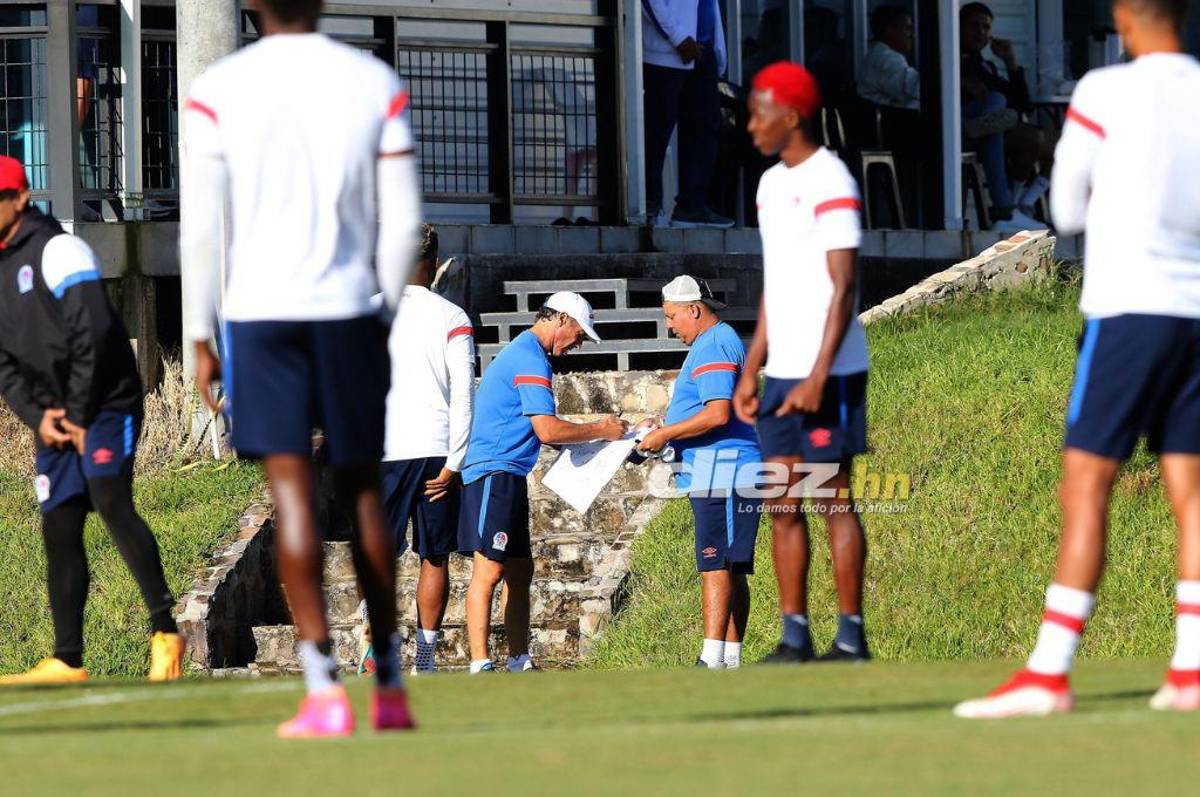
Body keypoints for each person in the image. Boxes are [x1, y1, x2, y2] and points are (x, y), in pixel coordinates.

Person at [182, 0, 422, 737]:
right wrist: (379, 314)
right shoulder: (371, 79)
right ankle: (387, 680)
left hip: (260, 316)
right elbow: (406, 221)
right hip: (348, 308)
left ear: (250, 7)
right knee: (367, 495)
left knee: (292, 502)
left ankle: (323, 688)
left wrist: (199, 330)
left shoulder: (217, 88)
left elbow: (202, 227)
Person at [955, 0, 1200, 719]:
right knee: (1191, 489)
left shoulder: (1104, 91)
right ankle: (1189, 667)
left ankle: (1051, 671)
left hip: (1127, 309)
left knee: (1086, 484)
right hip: (1196, 310)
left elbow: (1065, 210)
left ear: (1126, 14)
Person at [0, 157, 186, 686]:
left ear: (20, 197)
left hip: (105, 402)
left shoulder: (59, 249)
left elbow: (97, 335)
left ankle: (165, 632)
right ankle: (67, 660)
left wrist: (79, 413)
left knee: (108, 497)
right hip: (56, 416)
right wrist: (41, 417)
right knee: (59, 525)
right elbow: (4, 364)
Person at [733, 62, 872, 664]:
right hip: (785, 367)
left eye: (758, 113)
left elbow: (844, 286)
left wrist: (818, 375)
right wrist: (751, 365)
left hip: (832, 369)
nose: (749, 126)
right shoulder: (768, 186)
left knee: (830, 496)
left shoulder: (830, 177)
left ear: (789, 116)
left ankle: (850, 636)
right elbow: (777, 283)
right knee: (781, 501)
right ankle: (795, 636)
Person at [459, 292, 626, 673]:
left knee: (520, 571)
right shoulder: (530, 357)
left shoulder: (528, 353)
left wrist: (600, 434)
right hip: (492, 473)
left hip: (508, 474)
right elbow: (548, 430)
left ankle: (519, 659)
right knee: (489, 569)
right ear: (561, 320)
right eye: (580, 334)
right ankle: (480, 663)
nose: (578, 345)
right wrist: (600, 428)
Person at [361, 224, 474, 676]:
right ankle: (425, 659)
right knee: (434, 555)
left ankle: (377, 652)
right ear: (433, 263)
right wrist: (456, 461)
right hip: (434, 448)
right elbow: (464, 393)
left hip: (382, 450)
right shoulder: (452, 316)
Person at [639, 276, 762, 670]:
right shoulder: (717, 341)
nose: (670, 326)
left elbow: (717, 413)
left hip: (723, 472)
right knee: (729, 566)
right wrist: (663, 424)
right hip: (723, 471)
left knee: (715, 564)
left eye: (672, 317)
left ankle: (711, 660)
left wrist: (665, 434)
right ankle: (728, 660)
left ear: (694, 310)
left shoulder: (713, 343)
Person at [642, 0, 734, 229]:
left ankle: (691, 207)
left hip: (702, 51)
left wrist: (717, 51)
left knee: (704, 129)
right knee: (657, 130)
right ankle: (648, 205)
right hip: (668, 52)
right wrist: (679, 38)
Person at [959, 2, 1050, 230]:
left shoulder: (986, 65)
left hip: (990, 133)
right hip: (959, 132)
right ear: (958, 27)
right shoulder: (952, 62)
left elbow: (1022, 106)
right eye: (974, 26)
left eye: (986, 27)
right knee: (1001, 106)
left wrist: (1010, 62)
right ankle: (1009, 211)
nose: (980, 32)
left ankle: (1016, 207)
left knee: (1057, 141)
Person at [857, 5, 919, 111]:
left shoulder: (877, 55)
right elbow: (916, 89)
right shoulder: (885, 58)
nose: (912, 35)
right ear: (889, 31)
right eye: (907, 29)